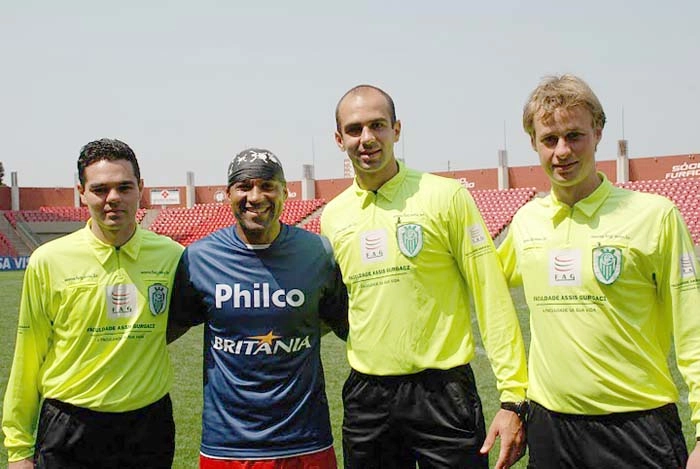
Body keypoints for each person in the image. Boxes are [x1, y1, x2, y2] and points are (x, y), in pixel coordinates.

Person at [320, 84, 528, 469]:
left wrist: (514, 396)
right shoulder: (333, 216)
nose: (366, 139)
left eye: (377, 125)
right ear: (339, 139)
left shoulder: (446, 197)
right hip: (368, 396)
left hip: (443, 392)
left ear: (397, 130)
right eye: (354, 129)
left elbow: (491, 295)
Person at [498, 74, 700, 468]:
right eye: (549, 139)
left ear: (598, 132)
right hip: (551, 429)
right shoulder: (525, 224)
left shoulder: (655, 217)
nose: (562, 151)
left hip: (637, 428)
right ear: (534, 143)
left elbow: (694, 329)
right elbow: (481, 286)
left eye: (575, 135)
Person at [2, 138, 184, 468]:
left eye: (124, 187)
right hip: (70, 427)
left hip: (148, 426)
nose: (112, 198)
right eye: (100, 189)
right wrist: (18, 450)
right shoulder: (49, 261)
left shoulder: (172, 256)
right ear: (81, 192)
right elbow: (28, 355)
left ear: (140, 189)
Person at [167, 148, 349, 469]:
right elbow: (168, 329)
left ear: (284, 192)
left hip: (306, 439)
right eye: (244, 186)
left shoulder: (317, 253)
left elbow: (342, 322)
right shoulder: (199, 258)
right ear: (228, 194)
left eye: (267, 186)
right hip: (227, 444)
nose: (255, 196)